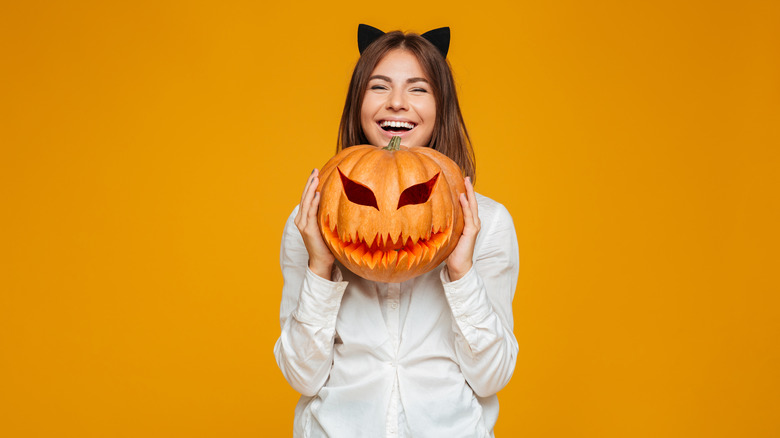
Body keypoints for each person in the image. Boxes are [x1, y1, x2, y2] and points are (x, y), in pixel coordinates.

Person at [274, 24, 520, 438]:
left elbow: (491, 378)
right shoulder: (313, 219)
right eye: (379, 86)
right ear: (357, 104)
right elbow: (302, 376)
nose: (397, 104)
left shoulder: (489, 223)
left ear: (442, 106)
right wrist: (320, 265)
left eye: (418, 89)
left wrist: (461, 273)